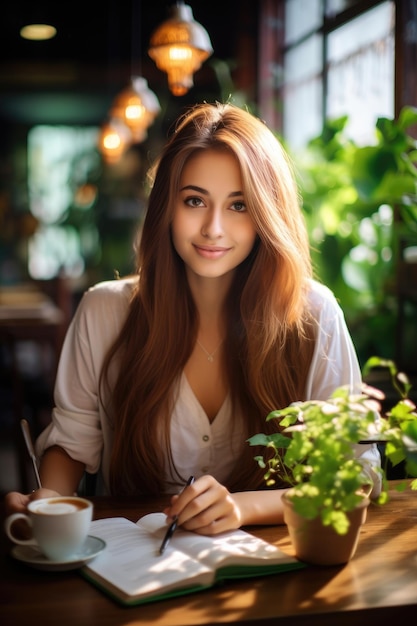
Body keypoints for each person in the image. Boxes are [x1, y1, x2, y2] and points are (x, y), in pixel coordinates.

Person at [5, 102, 380, 534]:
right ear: (167, 205)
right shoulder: (104, 311)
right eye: (195, 200)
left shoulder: (313, 314)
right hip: (132, 564)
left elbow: (359, 473)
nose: (213, 228)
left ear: (267, 215)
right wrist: (47, 501)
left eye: (239, 206)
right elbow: (72, 442)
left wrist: (246, 508)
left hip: (274, 565)